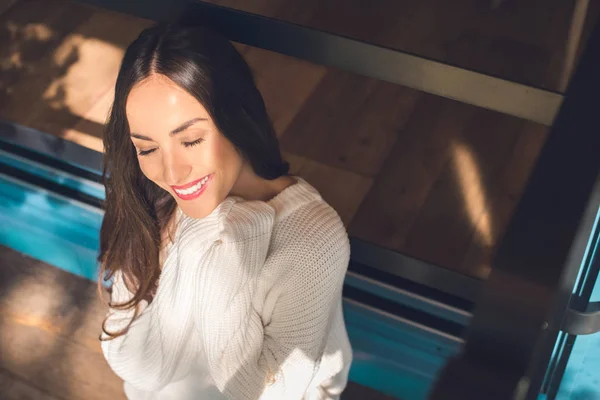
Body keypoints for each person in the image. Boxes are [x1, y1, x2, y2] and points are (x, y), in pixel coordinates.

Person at [97, 21, 353, 400]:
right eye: (147, 149)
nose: (171, 173)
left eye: (191, 139)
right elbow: (133, 364)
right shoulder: (148, 197)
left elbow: (264, 393)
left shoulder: (312, 240)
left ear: (237, 120)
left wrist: (233, 242)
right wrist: (203, 235)